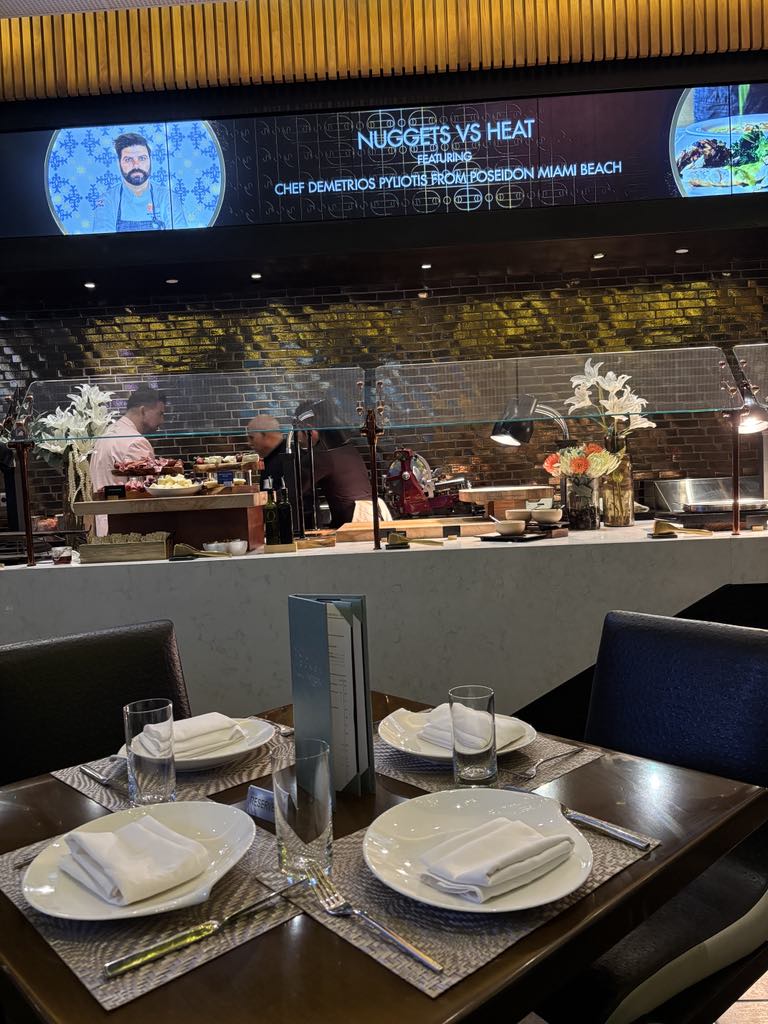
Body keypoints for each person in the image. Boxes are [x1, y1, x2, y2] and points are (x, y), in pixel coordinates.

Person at [93, 132, 185, 234]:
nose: (136, 165)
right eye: (128, 159)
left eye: (142, 158)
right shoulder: (107, 200)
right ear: (119, 163)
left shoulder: (168, 198)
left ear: (150, 160)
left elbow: (180, 240)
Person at [90, 387, 166, 495]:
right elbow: (146, 493)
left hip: (102, 504)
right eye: (160, 414)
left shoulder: (105, 434)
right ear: (143, 411)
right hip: (125, 506)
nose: (162, 421)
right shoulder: (137, 442)